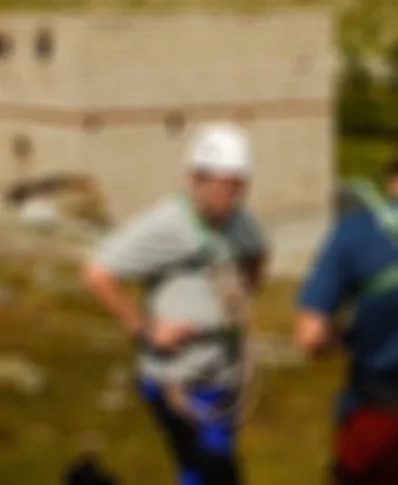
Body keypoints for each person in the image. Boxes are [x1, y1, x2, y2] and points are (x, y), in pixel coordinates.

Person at [83, 123, 267, 485]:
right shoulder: (167, 224)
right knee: (211, 470)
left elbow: (257, 252)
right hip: (178, 375)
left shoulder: (239, 221)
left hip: (221, 372)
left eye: (238, 186)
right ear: (196, 179)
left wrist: (241, 293)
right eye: (224, 186)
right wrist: (147, 329)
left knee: (205, 470)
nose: (232, 197)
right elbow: (98, 273)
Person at [295, 156, 398, 484]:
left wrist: (343, 338)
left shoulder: (357, 230)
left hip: (376, 413)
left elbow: (309, 335)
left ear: (392, 181)